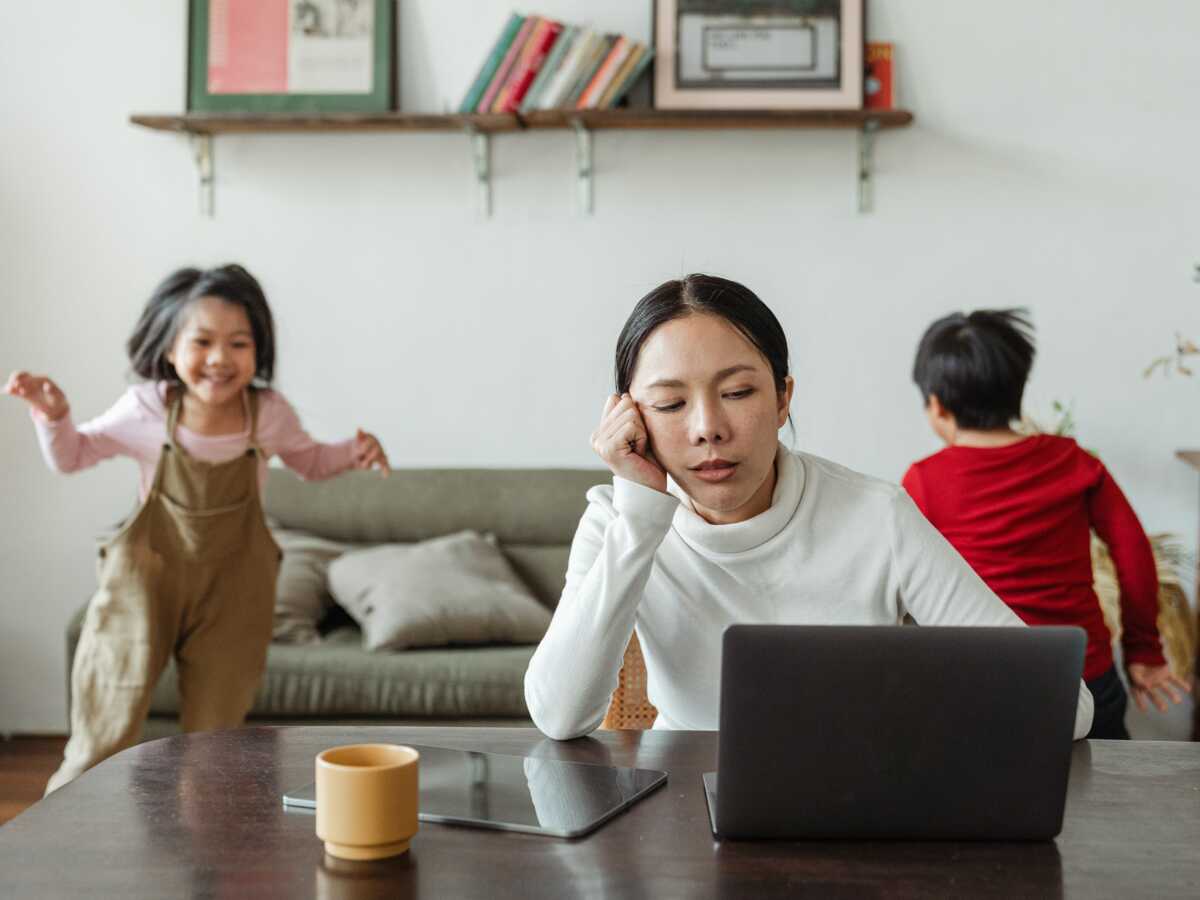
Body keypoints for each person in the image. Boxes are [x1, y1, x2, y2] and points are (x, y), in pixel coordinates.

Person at [524, 274, 1094, 741]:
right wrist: (640, 516)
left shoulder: (877, 516)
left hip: (856, 799)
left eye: (739, 392)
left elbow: (1066, 707)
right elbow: (558, 715)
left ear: (782, 399)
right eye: (671, 403)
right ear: (631, 418)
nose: (708, 430)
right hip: (682, 808)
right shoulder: (617, 521)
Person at [6, 263, 391, 792]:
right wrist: (53, 416)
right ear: (169, 348)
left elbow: (311, 462)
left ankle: (203, 864)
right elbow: (73, 456)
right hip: (145, 585)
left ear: (259, 351)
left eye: (239, 343)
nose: (219, 359)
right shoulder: (146, 408)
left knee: (215, 746)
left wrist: (354, 452)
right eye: (202, 341)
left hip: (233, 591)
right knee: (102, 732)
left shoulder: (268, 414)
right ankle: (58, 846)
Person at [902, 308, 1190, 739]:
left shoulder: (924, 480)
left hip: (982, 684)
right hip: (1083, 678)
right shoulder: (1075, 462)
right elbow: (1133, 552)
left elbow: (907, 582)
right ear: (1018, 390)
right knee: (1104, 796)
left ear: (938, 407)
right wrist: (1143, 649)